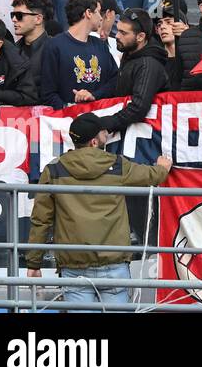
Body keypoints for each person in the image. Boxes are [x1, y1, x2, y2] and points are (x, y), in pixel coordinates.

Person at [25, 112, 171, 304]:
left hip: (73, 266)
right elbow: (153, 176)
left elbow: (41, 220)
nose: (106, 134)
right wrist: (162, 167)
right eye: (103, 132)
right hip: (114, 265)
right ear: (94, 142)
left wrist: (34, 263)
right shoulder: (118, 166)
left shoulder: (53, 170)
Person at [36, 0, 116, 107]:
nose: (100, 18)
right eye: (98, 12)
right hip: (66, 120)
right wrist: (68, 109)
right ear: (88, 13)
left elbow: (115, 80)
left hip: (98, 117)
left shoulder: (101, 45)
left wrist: (94, 95)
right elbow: (48, 93)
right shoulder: (54, 46)